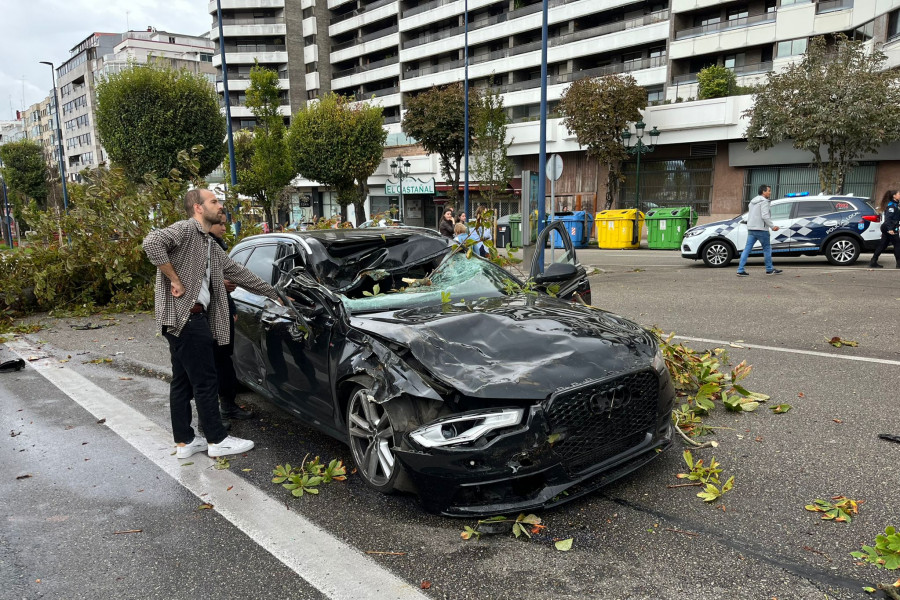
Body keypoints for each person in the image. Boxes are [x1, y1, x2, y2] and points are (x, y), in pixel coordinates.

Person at [142, 189, 282, 459]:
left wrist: (274, 293)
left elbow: (238, 272)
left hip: (183, 321)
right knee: (206, 381)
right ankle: (217, 440)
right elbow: (151, 243)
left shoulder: (208, 244)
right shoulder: (184, 230)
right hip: (188, 318)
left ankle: (185, 441)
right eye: (214, 202)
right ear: (197, 208)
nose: (220, 206)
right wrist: (174, 279)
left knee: (182, 382)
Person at [208, 216, 254, 422]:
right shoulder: (198, 246)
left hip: (223, 310)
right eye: (221, 224)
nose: (225, 228)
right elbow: (191, 283)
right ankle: (210, 417)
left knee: (224, 361)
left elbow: (229, 278)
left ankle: (227, 406)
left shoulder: (217, 245)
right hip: (206, 314)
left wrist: (232, 306)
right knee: (211, 365)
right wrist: (219, 284)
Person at [736, 184, 782, 277]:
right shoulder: (764, 202)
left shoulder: (752, 202)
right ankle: (769, 269)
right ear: (763, 192)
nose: (770, 192)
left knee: (747, 249)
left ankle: (740, 270)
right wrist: (772, 226)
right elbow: (765, 216)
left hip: (751, 229)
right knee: (767, 249)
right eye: (768, 191)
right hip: (762, 229)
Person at [869, 189, 900, 268]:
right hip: (889, 227)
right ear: (894, 196)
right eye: (899, 194)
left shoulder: (896, 204)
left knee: (883, 245)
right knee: (897, 245)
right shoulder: (892, 206)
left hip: (889, 227)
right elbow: (888, 218)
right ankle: (899, 264)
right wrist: (890, 229)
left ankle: (873, 261)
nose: (899, 195)